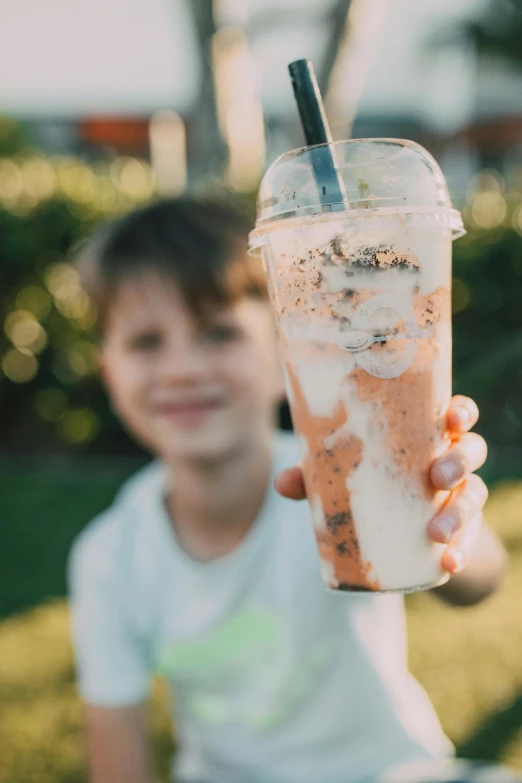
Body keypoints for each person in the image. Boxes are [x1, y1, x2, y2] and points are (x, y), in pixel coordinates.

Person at [68, 195, 513, 783]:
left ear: (291, 352)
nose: (181, 369)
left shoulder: (348, 479)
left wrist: (450, 519)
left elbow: (477, 585)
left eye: (217, 333)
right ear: (109, 371)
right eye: (146, 342)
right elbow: (117, 764)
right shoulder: (109, 558)